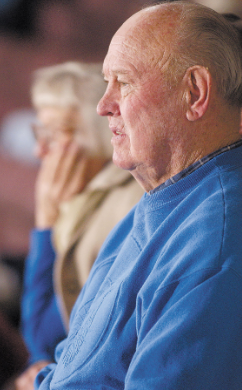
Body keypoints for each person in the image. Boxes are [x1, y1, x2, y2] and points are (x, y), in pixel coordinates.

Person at [32, 1, 242, 389]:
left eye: (123, 83)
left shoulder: (217, 242)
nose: (102, 105)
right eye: (105, 81)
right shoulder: (159, 199)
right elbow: (74, 358)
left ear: (195, 92)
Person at [15, 62, 143, 389]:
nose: (39, 149)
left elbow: (43, 338)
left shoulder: (125, 202)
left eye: (55, 133)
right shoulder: (81, 204)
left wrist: (45, 225)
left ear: (102, 131)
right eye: (38, 132)